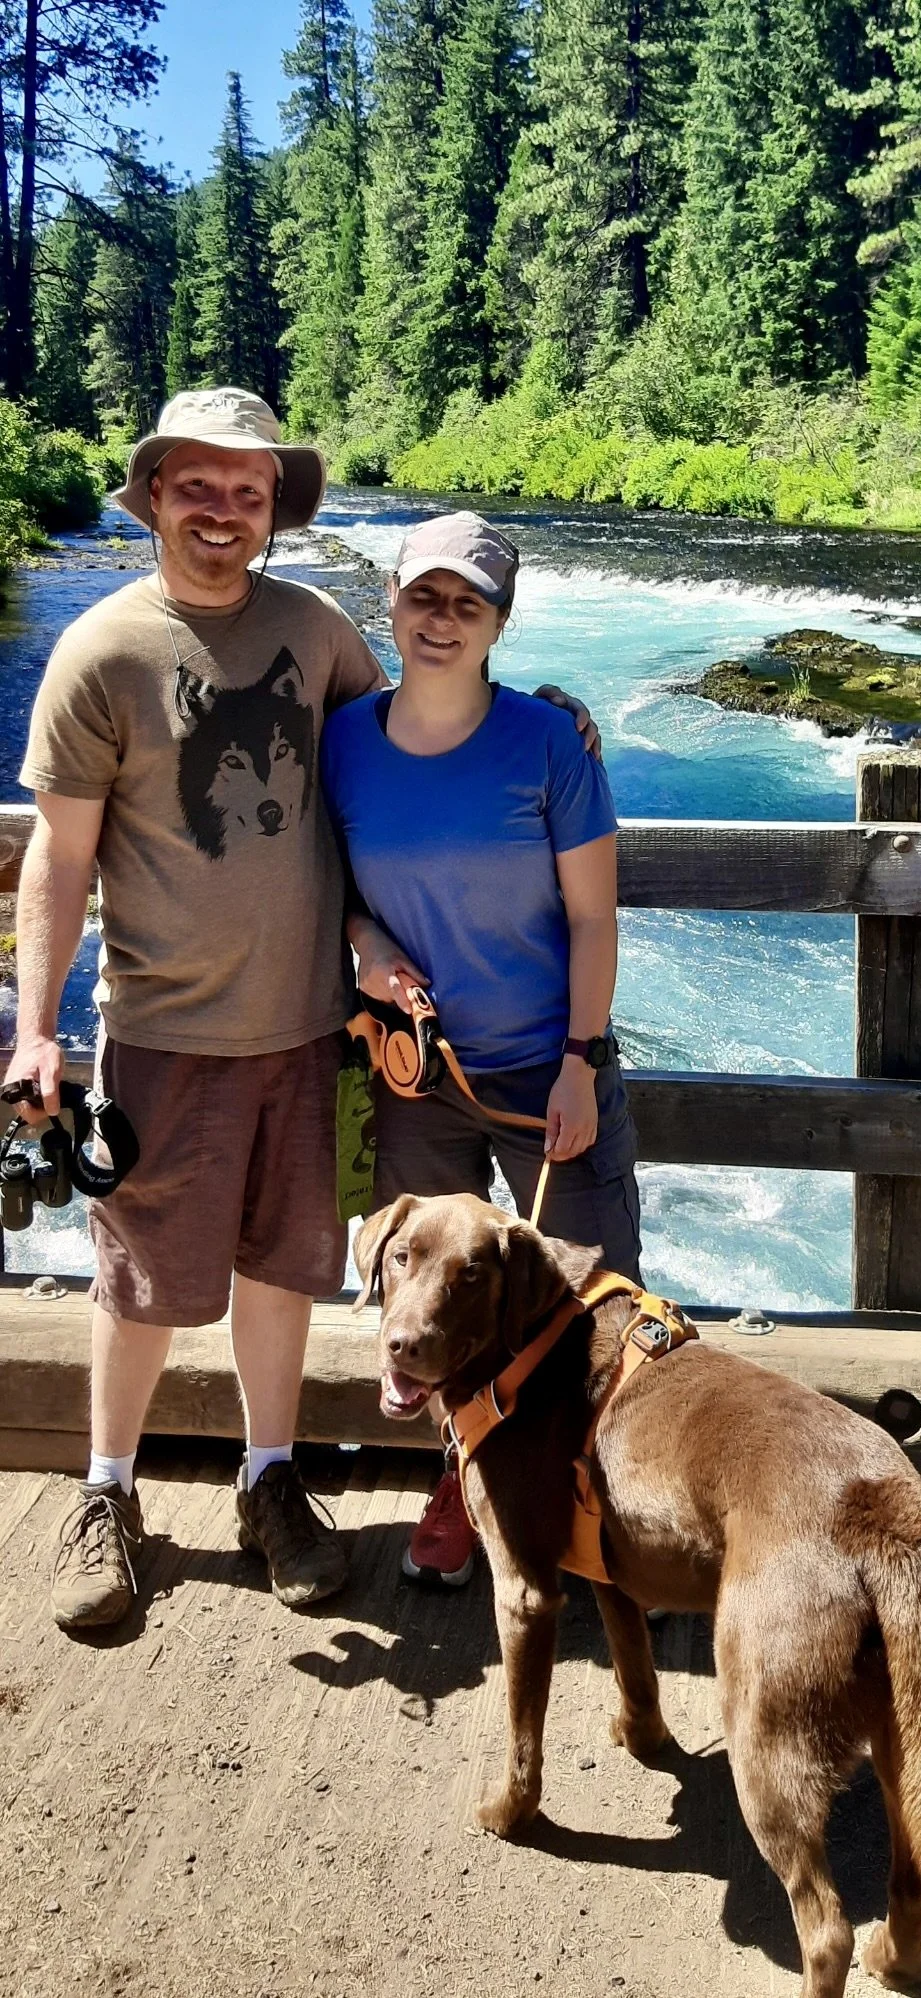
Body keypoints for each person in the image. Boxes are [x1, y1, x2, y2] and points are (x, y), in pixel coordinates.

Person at [4, 394, 597, 1633]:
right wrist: (36, 1026)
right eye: (198, 487)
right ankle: (106, 1495)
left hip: (314, 1031)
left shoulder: (319, 631)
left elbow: (413, 731)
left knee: (284, 1272)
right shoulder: (101, 651)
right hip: (161, 1027)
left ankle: (271, 1482)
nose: (223, 511)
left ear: (275, 510)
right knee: (138, 1282)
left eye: (248, 492)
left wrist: (547, 715)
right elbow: (57, 857)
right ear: (154, 489)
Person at [320, 511, 640, 1588]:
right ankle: (462, 1486)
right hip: (419, 1076)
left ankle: (590, 1498)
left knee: (588, 1304)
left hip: (548, 1070)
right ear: (393, 601)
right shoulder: (346, 739)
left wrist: (582, 1061)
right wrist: (363, 947)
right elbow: (336, 895)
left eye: (470, 603)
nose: (442, 619)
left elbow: (594, 918)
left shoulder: (549, 742)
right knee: (428, 1307)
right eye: (425, 596)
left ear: (501, 621)